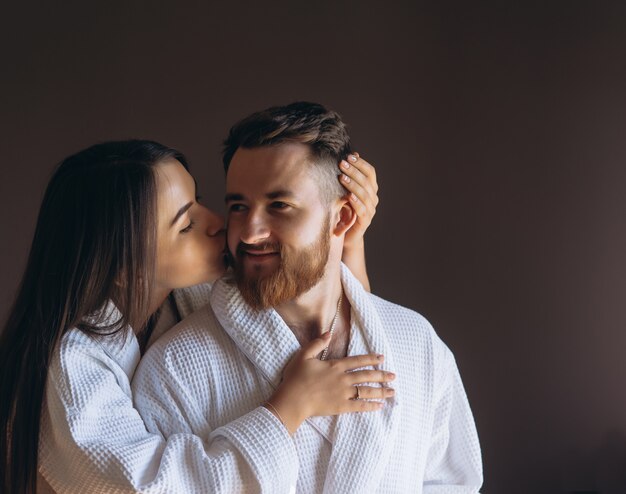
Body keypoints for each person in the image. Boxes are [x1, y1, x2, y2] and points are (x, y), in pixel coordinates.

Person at [0, 139, 388, 493]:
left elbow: (332, 317)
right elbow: (154, 488)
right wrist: (289, 407)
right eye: (186, 225)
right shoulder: (70, 369)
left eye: (199, 200)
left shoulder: (188, 298)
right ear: (125, 267)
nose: (218, 222)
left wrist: (341, 237)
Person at [133, 102, 484, 493]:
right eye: (238, 206)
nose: (249, 232)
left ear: (343, 218)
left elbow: (453, 483)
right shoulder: (174, 370)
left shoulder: (416, 343)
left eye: (279, 206)